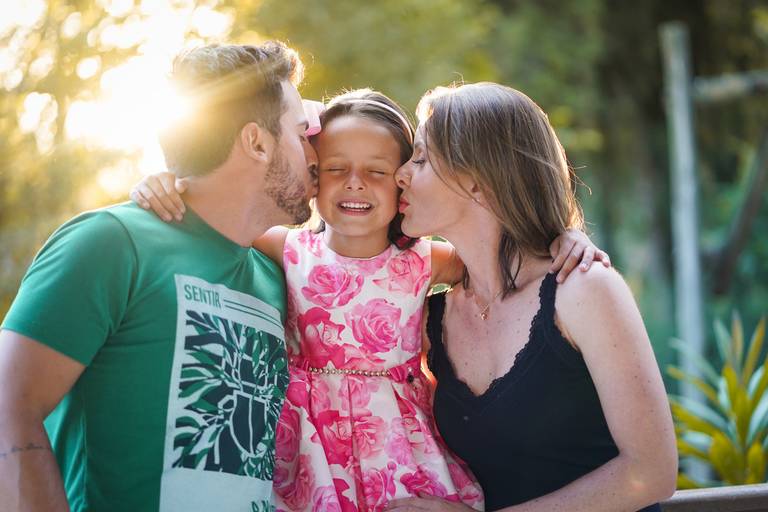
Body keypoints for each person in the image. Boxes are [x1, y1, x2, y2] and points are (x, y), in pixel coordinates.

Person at [130, 88, 610, 511]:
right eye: (335, 168)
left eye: (377, 170)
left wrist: (562, 237)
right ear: (313, 176)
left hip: (397, 443)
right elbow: (217, 212)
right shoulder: (288, 248)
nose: (354, 182)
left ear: (402, 181)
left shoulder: (426, 259)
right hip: (309, 440)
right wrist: (168, 182)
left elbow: (509, 250)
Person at [0, 42, 319, 512]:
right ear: (256, 142)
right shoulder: (111, 243)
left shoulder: (281, 278)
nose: (315, 153)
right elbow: (9, 409)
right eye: (302, 133)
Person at [386, 82, 678, 512]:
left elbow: (651, 471)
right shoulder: (430, 316)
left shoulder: (583, 290)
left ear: (477, 181)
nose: (400, 174)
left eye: (422, 158)